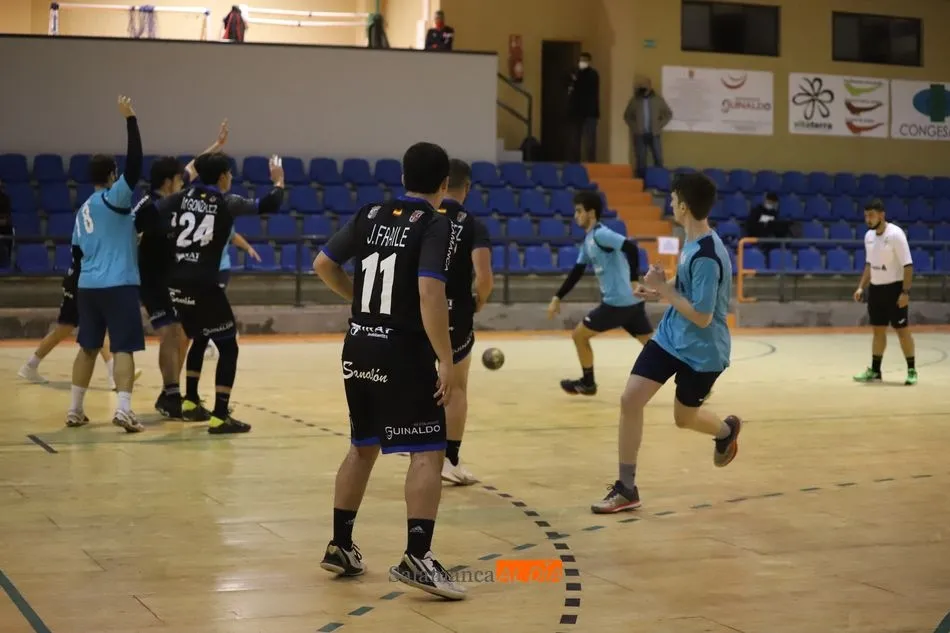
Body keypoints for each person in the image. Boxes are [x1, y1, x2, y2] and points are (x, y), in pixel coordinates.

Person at [312, 141, 464, 600]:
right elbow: (430, 294)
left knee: (363, 446)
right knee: (428, 451)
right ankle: (418, 556)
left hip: (359, 344)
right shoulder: (436, 224)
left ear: (402, 178)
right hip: (402, 351)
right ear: (444, 185)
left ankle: (340, 545)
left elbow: (323, 264)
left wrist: (359, 301)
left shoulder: (370, 214)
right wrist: (446, 359)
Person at [591, 172, 742, 514]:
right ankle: (626, 488)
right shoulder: (693, 241)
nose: (670, 205)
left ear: (684, 207)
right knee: (630, 399)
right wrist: (659, 289)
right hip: (670, 338)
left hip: (703, 353)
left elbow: (702, 316)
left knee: (684, 418)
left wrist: (666, 290)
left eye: (673, 200)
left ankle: (725, 431)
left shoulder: (707, 254)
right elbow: (685, 284)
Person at [162, 152, 284, 433]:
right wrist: (278, 182)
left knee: (200, 336)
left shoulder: (181, 197)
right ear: (221, 177)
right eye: (229, 173)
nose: (230, 178)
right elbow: (268, 204)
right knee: (229, 346)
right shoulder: (226, 201)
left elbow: (154, 211)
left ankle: (190, 400)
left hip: (176, 283)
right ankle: (220, 415)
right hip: (204, 284)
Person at [135, 122, 232, 416]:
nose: (185, 181)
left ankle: (172, 392)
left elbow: (192, 167)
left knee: (183, 334)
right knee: (170, 332)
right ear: (168, 182)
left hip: (172, 279)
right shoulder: (151, 207)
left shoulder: (176, 196)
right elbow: (130, 228)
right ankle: (171, 395)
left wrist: (216, 146)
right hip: (152, 280)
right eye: (180, 180)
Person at [66, 95, 145, 433]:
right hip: (118, 285)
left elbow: (76, 253)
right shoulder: (116, 197)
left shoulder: (83, 209)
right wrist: (131, 120)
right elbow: (136, 164)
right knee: (124, 346)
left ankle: (75, 409)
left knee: (88, 348)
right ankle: (124, 410)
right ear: (113, 174)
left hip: (88, 288)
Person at [547, 191, 652, 396]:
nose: (576, 216)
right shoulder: (589, 240)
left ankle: (588, 383)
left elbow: (631, 248)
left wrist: (633, 280)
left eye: (579, 211)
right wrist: (557, 297)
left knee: (579, 336)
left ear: (591, 213)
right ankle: (690, 381)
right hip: (632, 303)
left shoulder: (601, 234)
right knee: (654, 347)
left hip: (617, 304)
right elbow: (577, 272)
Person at [437, 159, 493, 485]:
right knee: (455, 387)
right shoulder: (471, 224)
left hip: (415, 309)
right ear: (466, 187)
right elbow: (484, 277)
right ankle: (449, 460)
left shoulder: (421, 217)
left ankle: (419, 450)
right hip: (453, 312)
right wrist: (478, 301)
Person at [853, 199, 917, 385]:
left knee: (902, 330)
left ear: (882, 215)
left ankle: (912, 370)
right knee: (878, 330)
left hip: (895, 289)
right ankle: (875, 371)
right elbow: (869, 264)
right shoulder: (868, 236)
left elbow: (908, 265)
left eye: (871, 215)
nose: (868, 219)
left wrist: (905, 292)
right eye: (866, 216)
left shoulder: (896, 235)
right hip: (876, 289)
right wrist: (861, 286)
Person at [205, 229, 259, 360]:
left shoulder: (224, 220)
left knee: (214, 302)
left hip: (221, 268)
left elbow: (233, 236)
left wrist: (248, 248)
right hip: (203, 267)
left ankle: (219, 336)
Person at [623, 77, 673, 179]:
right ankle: (641, 182)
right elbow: (627, 116)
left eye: (644, 86)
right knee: (640, 160)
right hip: (640, 135)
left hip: (654, 134)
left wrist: (659, 125)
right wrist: (635, 127)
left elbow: (668, 114)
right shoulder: (635, 100)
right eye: (641, 86)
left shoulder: (658, 100)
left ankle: (659, 180)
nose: (642, 88)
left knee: (658, 158)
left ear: (650, 86)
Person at [567, 52, 599, 162]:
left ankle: (591, 165)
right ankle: (574, 164)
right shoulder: (575, 73)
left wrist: (576, 80)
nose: (582, 63)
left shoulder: (593, 74)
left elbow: (585, 88)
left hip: (590, 113)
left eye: (584, 60)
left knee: (589, 142)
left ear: (589, 62)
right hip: (576, 113)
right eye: (581, 60)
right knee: (574, 141)